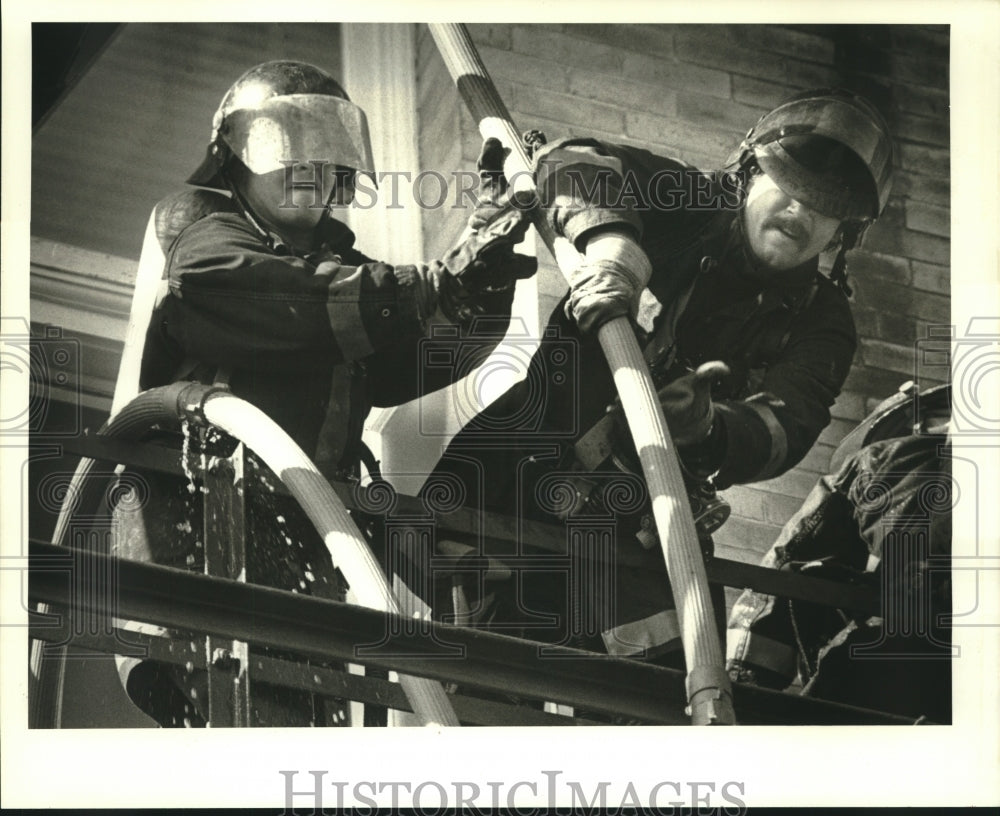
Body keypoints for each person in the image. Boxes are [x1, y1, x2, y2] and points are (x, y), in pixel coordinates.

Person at [112, 60, 536, 726]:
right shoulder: (197, 227)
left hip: (309, 540)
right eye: (290, 142)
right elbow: (259, 294)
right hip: (197, 528)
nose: (311, 166)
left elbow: (421, 353)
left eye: (327, 148)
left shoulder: (347, 271)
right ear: (236, 152)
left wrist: (479, 270)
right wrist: (430, 283)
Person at [422, 88, 896, 667]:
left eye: (824, 207)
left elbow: (785, 425)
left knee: (678, 680)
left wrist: (709, 427)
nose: (800, 212)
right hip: (510, 479)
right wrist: (614, 248)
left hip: (643, 529)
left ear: (844, 233)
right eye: (790, 186)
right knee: (473, 674)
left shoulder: (824, 323)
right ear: (748, 173)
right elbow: (573, 162)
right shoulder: (683, 201)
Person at [726, 383, 952, 723]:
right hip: (884, 671)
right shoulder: (888, 465)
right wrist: (742, 685)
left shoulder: (888, 466)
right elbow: (789, 563)